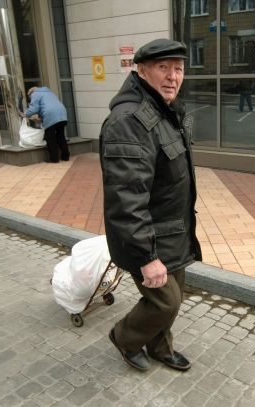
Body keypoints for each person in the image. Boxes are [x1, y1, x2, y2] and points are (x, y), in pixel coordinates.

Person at [99, 39, 202, 372]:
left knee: (173, 299)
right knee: (165, 301)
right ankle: (124, 337)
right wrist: (146, 256)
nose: (173, 76)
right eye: (163, 67)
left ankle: (160, 347)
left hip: (172, 231)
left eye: (179, 69)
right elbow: (126, 198)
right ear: (141, 71)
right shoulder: (129, 121)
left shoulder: (165, 110)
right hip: (146, 239)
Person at [21, 86, 70, 163]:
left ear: (31, 93)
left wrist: (25, 114)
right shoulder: (49, 92)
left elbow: (34, 108)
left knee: (50, 137)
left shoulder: (35, 94)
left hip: (51, 115)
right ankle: (65, 156)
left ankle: (54, 159)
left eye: (29, 97)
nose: (30, 98)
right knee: (60, 135)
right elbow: (46, 106)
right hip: (62, 114)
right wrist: (40, 117)